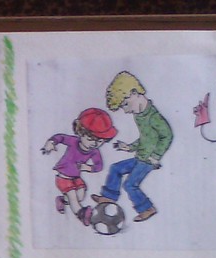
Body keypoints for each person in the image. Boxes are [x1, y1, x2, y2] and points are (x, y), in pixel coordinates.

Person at [93, 71, 173, 223]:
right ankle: (108, 198)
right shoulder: (140, 116)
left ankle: (147, 209)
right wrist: (129, 147)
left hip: (148, 161)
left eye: (125, 104)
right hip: (140, 157)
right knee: (116, 168)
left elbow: (167, 136)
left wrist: (156, 156)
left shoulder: (154, 117)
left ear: (134, 93)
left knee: (130, 184)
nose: (126, 110)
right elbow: (146, 139)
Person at [42, 108, 117, 225]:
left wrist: (89, 168)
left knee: (80, 197)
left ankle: (62, 200)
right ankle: (81, 214)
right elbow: (60, 137)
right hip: (63, 177)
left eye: (100, 141)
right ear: (80, 132)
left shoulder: (94, 151)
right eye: (90, 139)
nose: (94, 144)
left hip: (76, 178)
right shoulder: (73, 141)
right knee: (73, 198)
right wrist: (51, 143)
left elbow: (99, 166)